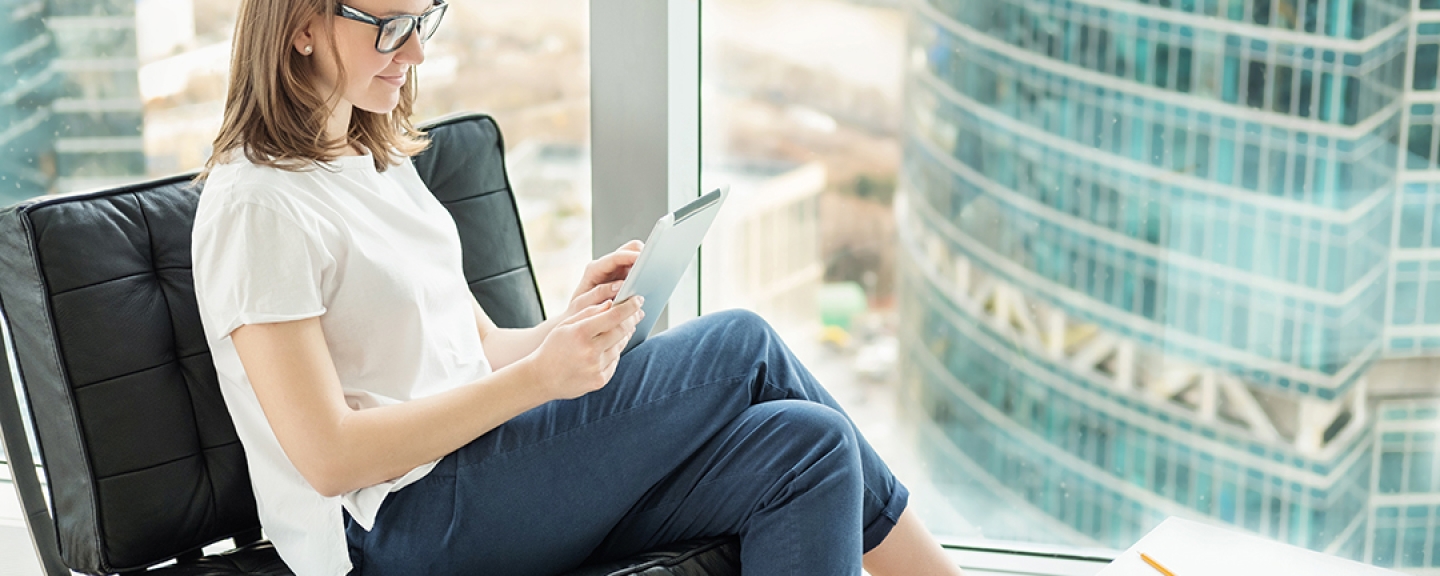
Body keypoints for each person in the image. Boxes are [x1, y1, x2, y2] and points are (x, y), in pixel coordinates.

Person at [191, 1, 965, 575]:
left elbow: (479, 349)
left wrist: (569, 326)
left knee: (811, 450)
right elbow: (329, 458)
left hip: (482, 475)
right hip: (396, 527)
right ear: (299, 26)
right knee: (740, 347)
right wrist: (539, 381)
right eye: (390, 27)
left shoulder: (374, 162)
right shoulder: (258, 205)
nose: (415, 52)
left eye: (427, 18)